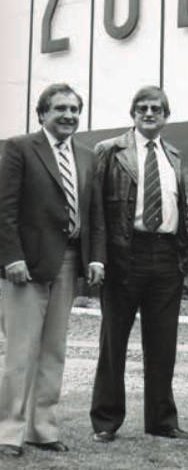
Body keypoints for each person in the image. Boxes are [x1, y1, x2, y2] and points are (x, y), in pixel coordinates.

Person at [0, 83, 105, 459]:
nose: (69, 115)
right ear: (41, 113)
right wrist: (11, 258)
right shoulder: (18, 148)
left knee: (54, 351)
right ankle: (8, 432)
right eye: (60, 108)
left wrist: (95, 258)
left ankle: (42, 429)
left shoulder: (88, 156)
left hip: (69, 262)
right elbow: (4, 209)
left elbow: (94, 213)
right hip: (25, 267)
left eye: (75, 109)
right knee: (20, 352)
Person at [89, 86, 188, 442]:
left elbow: (184, 210)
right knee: (113, 341)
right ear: (132, 113)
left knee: (164, 344)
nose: (149, 114)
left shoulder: (174, 156)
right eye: (143, 108)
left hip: (167, 257)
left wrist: (185, 258)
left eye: (157, 109)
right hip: (123, 257)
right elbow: (97, 211)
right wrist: (98, 257)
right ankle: (105, 422)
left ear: (166, 115)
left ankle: (162, 421)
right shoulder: (110, 151)